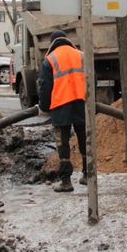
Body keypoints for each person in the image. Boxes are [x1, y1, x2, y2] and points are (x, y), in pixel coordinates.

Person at [37, 30, 87, 192]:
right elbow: (91, 79)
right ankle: (88, 175)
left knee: (63, 143)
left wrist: (44, 107)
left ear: (52, 43)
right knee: (84, 138)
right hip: (81, 103)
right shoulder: (81, 55)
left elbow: (45, 87)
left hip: (61, 105)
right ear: (67, 40)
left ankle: (66, 181)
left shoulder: (50, 60)